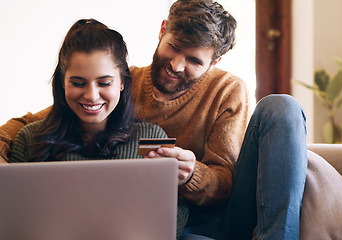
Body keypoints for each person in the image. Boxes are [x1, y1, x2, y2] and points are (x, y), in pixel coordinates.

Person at [0, 1, 308, 239]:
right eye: (173, 47)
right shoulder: (118, 83)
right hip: (157, 219)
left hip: (218, 215)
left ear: (214, 62)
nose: (175, 65)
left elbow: (227, 184)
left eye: (193, 60)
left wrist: (191, 175)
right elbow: (35, 123)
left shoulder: (228, 90)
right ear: (162, 30)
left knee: (282, 107)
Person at [6, 19, 188, 239]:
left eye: (104, 83)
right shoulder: (29, 139)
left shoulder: (150, 139)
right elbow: (12, 222)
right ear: (63, 83)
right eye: (78, 83)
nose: (91, 95)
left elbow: (171, 223)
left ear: (122, 83)